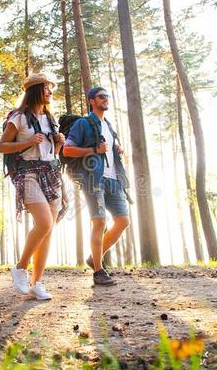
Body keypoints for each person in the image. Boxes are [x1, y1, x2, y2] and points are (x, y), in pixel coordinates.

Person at [0, 72, 66, 300]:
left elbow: (51, 154)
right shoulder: (18, 117)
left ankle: (37, 283)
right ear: (36, 90)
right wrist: (28, 141)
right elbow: (3, 146)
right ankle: (20, 266)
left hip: (50, 172)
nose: (50, 92)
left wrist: (58, 144)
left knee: (48, 231)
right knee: (44, 222)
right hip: (27, 172)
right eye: (47, 88)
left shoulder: (50, 118)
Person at [62, 87, 130, 286]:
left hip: (114, 179)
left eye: (107, 96)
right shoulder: (83, 123)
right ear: (92, 101)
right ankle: (99, 271)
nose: (105, 99)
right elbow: (67, 150)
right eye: (101, 97)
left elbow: (108, 151)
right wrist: (94, 149)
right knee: (99, 223)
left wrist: (117, 149)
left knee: (123, 221)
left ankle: (94, 258)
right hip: (93, 179)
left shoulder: (108, 125)